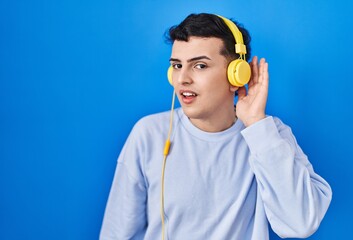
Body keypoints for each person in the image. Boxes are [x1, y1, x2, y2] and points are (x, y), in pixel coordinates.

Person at [100, 13, 332, 240]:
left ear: (236, 76)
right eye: (177, 66)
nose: (182, 79)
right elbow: (116, 233)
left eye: (199, 66)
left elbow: (300, 224)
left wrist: (256, 126)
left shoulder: (268, 135)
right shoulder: (149, 134)